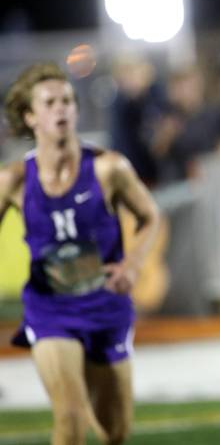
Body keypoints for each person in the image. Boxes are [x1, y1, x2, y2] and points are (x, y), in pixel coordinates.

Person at [0, 62, 160, 444]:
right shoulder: (15, 179)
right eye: (50, 102)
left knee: (113, 431)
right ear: (30, 117)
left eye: (68, 101)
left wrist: (133, 265)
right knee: (69, 418)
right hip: (50, 308)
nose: (62, 109)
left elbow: (149, 215)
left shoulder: (108, 167)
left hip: (106, 306)